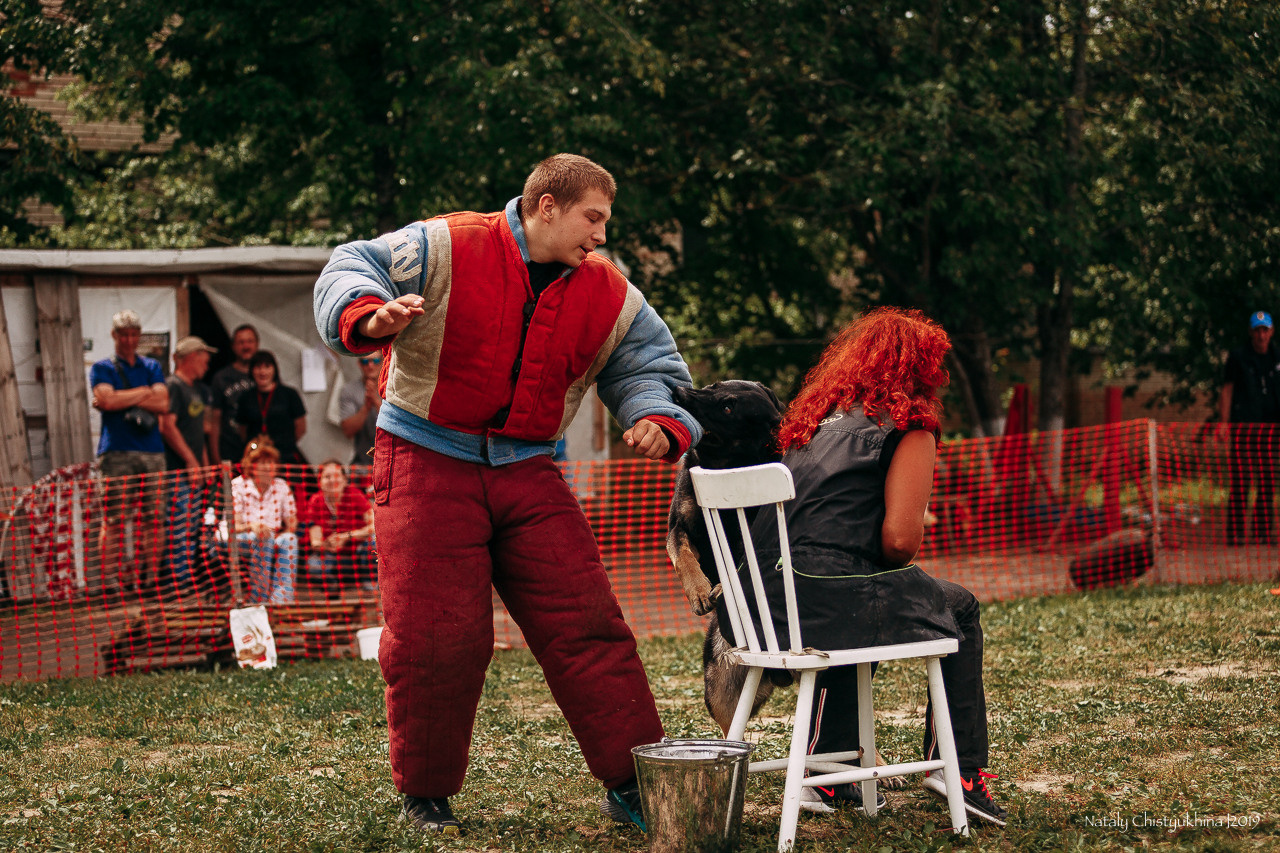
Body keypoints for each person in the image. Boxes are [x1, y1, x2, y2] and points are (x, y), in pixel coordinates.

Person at [314, 153, 702, 835]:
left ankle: (631, 782)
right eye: (594, 218)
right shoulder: (444, 244)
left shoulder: (608, 291)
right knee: (439, 637)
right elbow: (349, 263)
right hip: (425, 453)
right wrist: (369, 315)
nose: (601, 235)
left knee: (588, 623)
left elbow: (647, 362)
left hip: (529, 467)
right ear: (546, 207)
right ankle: (425, 797)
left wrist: (654, 416)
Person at [748, 307, 1007, 826]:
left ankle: (835, 767)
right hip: (828, 598)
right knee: (957, 605)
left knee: (854, 597)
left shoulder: (808, 424)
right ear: (922, 369)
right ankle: (960, 772)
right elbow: (898, 543)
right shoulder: (909, 426)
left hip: (771, 604)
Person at [89, 309, 170, 597]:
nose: (129, 339)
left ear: (139, 336)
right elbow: (106, 400)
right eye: (124, 334)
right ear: (114, 336)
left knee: (153, 518)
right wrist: (145, 392)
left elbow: (163, 402)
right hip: (116, 451)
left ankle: (149, 581)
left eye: (134, 334)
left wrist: (120, 397)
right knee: (114, 519)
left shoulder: (151, 365)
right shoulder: (102, 367)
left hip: (152, 451)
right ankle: (110, 583)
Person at [159, 336, 217, 593]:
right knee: (179, 526)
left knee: (193, 526)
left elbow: (198, 435)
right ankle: (177, 581)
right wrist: (191, 461)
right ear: (191, 357)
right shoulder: (173, 386)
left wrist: (204, 465)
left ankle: (188, 578)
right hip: (177, 471)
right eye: (204, 358)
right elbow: (167, 426)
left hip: (194, 470)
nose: (207, 364)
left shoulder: (196, 389)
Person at [1219, 310, 1280, 546]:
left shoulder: (1277, 356)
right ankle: (1235, 533)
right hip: (1244, 429)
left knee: (1267, 481)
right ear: (1251, 332)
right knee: (1241, 480)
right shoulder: (1238, 357)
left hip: (1271, 431)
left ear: (1271, 332)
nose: (1261, 335)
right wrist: (1223, 424)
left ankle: (1262, 532)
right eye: (1257, 330)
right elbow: (1227, 390)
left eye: (1265, 330)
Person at [230, 438, 299, 604]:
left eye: (271, 462)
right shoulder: (238, 485)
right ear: (252, 466)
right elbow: (235, 525)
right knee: (263, 538)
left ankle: (281, 600)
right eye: (263, 463)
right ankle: (258, 599)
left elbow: (291, 523)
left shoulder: (281, 486)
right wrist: (253, 527)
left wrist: (279, 533)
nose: (269, 467)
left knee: (290, 539)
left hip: (270, 536)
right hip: (241, 537)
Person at [304, 459, 376, 595]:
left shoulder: (355, 495)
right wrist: (328, 544)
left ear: (345, 479)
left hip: (359, 555)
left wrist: (347, 537)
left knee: (374, 542)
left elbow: (374, 526)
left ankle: (369, 587)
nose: (332, 480)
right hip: (333, 558)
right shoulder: (316, 501)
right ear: (320, 482)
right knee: (313, 564)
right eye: (327, 477)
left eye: (337, 476)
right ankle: (334, 589)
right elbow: (315, 541)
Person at [232, 349, 308, 472]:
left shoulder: (289, 394)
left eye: (267, 367)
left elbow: (301, 427)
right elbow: (242, 429)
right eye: (258, 367)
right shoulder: (246, 397)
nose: (263, 372)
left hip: (284, 455)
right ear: (252, 371)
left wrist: (285, 443)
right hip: (256, 458)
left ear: (274, 369)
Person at [209, 323, 260, 465]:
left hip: (261, 455)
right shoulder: (221, 378)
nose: (246, 346)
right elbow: (215, 421)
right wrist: (216, 458)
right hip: (231, 451)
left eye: (250, 341)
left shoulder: (265, 374)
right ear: (233, 346)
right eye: (241, 342)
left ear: (257, 344)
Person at [338, 351, 382, 471]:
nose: (370, 365)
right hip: (363, 463)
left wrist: (376, 401)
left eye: (376, 361)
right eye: (365, 361)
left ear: (383, 361)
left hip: (392, 459)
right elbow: (348, 430)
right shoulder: (349, 390)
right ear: (359, 364)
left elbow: (398, 425)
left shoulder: (393, 386)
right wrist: (366, 407)